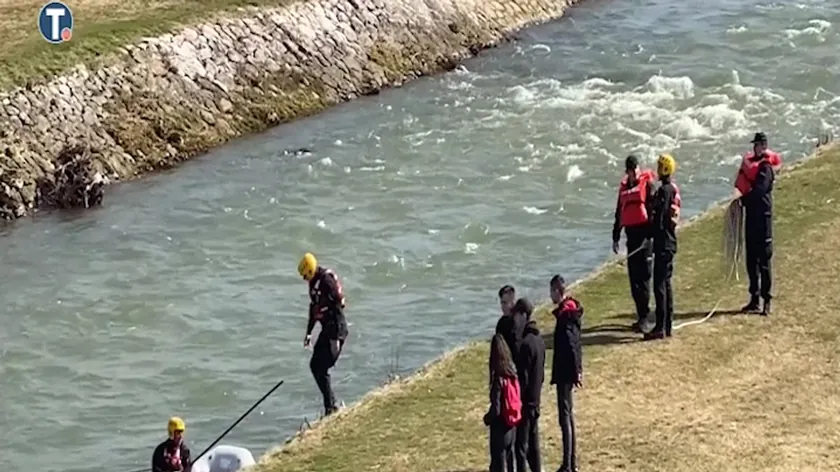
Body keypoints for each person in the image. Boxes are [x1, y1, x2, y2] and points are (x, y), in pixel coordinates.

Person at [734, 132, 781, 315]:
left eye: (758, 145)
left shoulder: (766, 168)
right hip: (751, 218)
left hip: (763, 218)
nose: (755, 148)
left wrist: (744, 199)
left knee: (764, 260)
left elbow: (760, 190)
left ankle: (766, 299)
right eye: (754, 145)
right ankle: (754, 298)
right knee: (751, 260)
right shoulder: (751, 164)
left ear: (764, 146)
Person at [298, 252, 349, 416]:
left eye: (305, 275)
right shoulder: (314, 285)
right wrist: (308, 333)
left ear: (310, 270)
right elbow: (313, 309)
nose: (304, 279)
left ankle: (331, 406)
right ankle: (330, 406)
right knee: (315, 365)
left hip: (336, 330)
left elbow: (339, 302)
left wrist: (336, 337)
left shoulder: (326, 281)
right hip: (326, 329)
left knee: (323, 366)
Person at [612, 154, 655, 332]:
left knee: (644, 278)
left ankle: (645, 317)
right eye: (630, 171)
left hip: (645, 239)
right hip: (632, 238)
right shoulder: (624, 189)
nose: (633, 173)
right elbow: (619, 212)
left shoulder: (648, 185)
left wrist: (650, 237)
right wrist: (615, 236)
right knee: (634, 279)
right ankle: (640, 315)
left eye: (635, 169)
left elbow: (653, 211)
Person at [644, 154, 681, 341]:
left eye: (659, 167)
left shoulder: (664, 191)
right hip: (670, 241)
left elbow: (659, 218)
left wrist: (649, 234)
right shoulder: (672, 189)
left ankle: (660, 326)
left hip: (663, 242)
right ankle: (668, 324)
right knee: (666, 284)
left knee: (659, 285)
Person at [549, 275, 584, 472]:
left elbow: (572, 344)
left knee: (565, 417)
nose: (550, 296)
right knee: (568, 415)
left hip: (565, 371)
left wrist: (576, 370)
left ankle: (568, 464)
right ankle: (570, 461)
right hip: (568, 369)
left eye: (551, 291)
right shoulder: (570, 312)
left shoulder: (565, 316)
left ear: (557, 291)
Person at [513, 298, 545, 472]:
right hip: (536, 399)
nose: (515, 320)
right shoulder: (539, 340)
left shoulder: (526, 344)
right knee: (534, 446)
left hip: (526, 403)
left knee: (521, 447)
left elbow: (523, 378)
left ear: (523, 315)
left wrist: (518, 401)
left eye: (517, 316)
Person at [484, 333, 520, 472]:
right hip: (512, 424)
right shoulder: (512, 373)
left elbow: (496, 409)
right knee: (510, 461)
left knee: (499, 464)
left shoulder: (498, 380)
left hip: (500, 427)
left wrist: (487, 418)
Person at [495, 285, 526, 360]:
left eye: (505, 303)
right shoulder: (523, 317)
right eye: (502, 303)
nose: (502, 307)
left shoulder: (504, 324)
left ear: (513, 302)